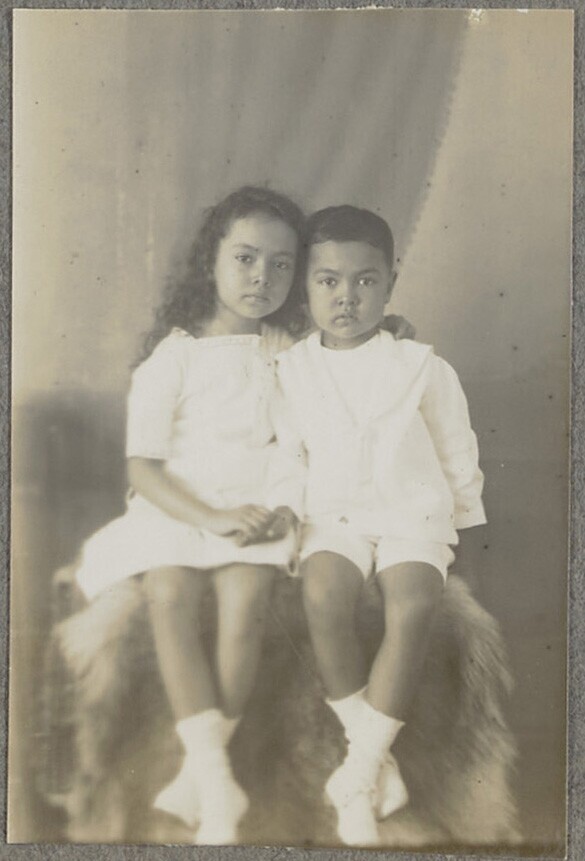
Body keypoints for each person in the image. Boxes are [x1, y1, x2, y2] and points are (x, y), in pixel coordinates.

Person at [72, 186, 305, 844]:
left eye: (281, 264)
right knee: (168, 591)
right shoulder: (172, 357)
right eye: (246, 258)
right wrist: (210, 515)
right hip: (178, 504)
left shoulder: (287, 351)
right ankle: (216, 776)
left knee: (246, 597)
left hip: (255, 506)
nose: (262, 277)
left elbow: (299, 444)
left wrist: (281, 507)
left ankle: (200, 777)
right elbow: (143, 469)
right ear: (211, 261)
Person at [269, 205, 487, 846]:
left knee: (413, 602)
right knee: (322, 596)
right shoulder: (292, 370)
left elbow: (456, 448)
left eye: (365, 281)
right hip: (333, 514)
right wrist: (285, 511)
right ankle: (373, 763)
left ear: (390, 284)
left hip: (409, 512)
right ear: (306, 286)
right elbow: (288, 454)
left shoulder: (421, 366)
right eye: (328, 281)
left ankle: (359, 771)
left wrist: (459, 522)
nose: (346, 297)